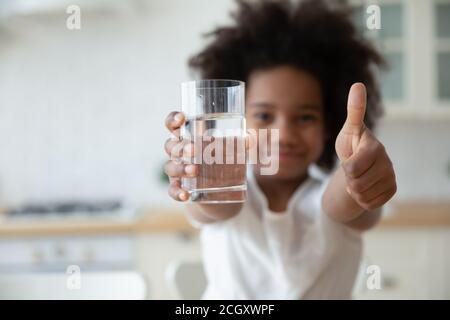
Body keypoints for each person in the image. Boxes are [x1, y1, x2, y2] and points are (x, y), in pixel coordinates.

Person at [163, 0, 396, 299]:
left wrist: (359, 174)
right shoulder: (223, 189)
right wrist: (198, 175)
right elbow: (216, 203)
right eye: (263, 116)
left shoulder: (331, 196)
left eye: (305, 117)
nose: (284, 135)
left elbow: (343, 201)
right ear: (237, 120)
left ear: (329, 124)